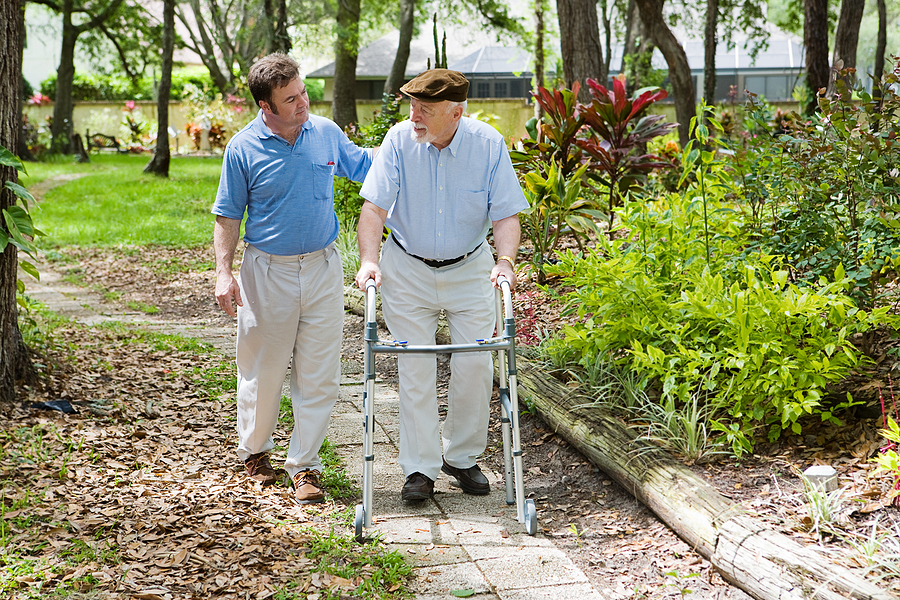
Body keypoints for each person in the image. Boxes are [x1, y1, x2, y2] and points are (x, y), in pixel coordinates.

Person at [354, 69, 528, 502]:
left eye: (424, 110)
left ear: (456, 113)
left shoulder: (487, 144)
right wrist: (369, 260)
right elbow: (373, 209)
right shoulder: (398, 141)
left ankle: (462, 456)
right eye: (412, 106)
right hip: (408, 268)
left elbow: (506, 215)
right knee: (415, 366)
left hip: (470, 267)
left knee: (476, 363)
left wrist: (505, 262)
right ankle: (420, 468)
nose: (413, 116)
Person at [213, 53, 375, 504]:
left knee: (319, 373)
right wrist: (223, 273)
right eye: (290, 99)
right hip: (268, 272)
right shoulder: (243, 148)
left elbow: (367, 166)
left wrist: (410, 143)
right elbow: (228, 215)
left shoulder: (325, 132)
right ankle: (255, 452)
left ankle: (305, 465)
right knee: (264, 371)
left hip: (323, 267)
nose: (303, 103)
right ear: (265, 105)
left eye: (303, 92)